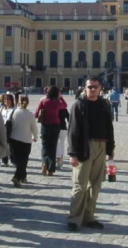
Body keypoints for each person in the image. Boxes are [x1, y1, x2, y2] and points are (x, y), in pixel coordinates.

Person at [67, 77, 115, 232]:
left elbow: (109, 126)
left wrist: (110, 148)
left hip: (101, 145)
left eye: (95, 87)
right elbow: (72, 131)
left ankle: (89, 216)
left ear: (100, 87)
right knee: (80, 185)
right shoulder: (78, 105)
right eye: (90, 87)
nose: (92, 90)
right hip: (84, 147)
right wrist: (73, 153)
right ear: (84, 88)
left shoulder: (104, 104)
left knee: (96, 184)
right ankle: (74, 218)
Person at [35, 86, 67, 176]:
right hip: (56, 126)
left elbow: (36, 114)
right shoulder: (58, 102)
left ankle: (44, 162)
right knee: (53, 147)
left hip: (45, 126)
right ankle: (51, 169)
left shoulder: (43, 101)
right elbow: (65, 105)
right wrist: (61, 96)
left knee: (45, 146)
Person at [8, 95, 39, 187]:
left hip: (13, 139)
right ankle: (17, 177)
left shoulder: (13, 112)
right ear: (27, 103)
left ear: (18, 101)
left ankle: (23, 177)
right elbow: (34, 128)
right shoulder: (30, 114)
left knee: (17, 160)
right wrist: (35, 137)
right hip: (25, 140)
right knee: (23, 160)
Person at [0, 93, 16, 167]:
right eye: (5, 99)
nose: (6, 101)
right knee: (3, 144)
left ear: (12, 100)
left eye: (8, 99)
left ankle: (13, 160)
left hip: (11, 128)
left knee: (12, 146)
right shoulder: (2, 108)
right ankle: (4, 160)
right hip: (2, 128)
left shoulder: (14, 109)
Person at [55, 91, 70, 169]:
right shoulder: (64, 109)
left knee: (56, 144)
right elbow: (69, 118)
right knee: (61, 144)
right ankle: (61, 159)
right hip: (63, 128)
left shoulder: (54, 109)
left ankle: (57, 159)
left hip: (54, 127)